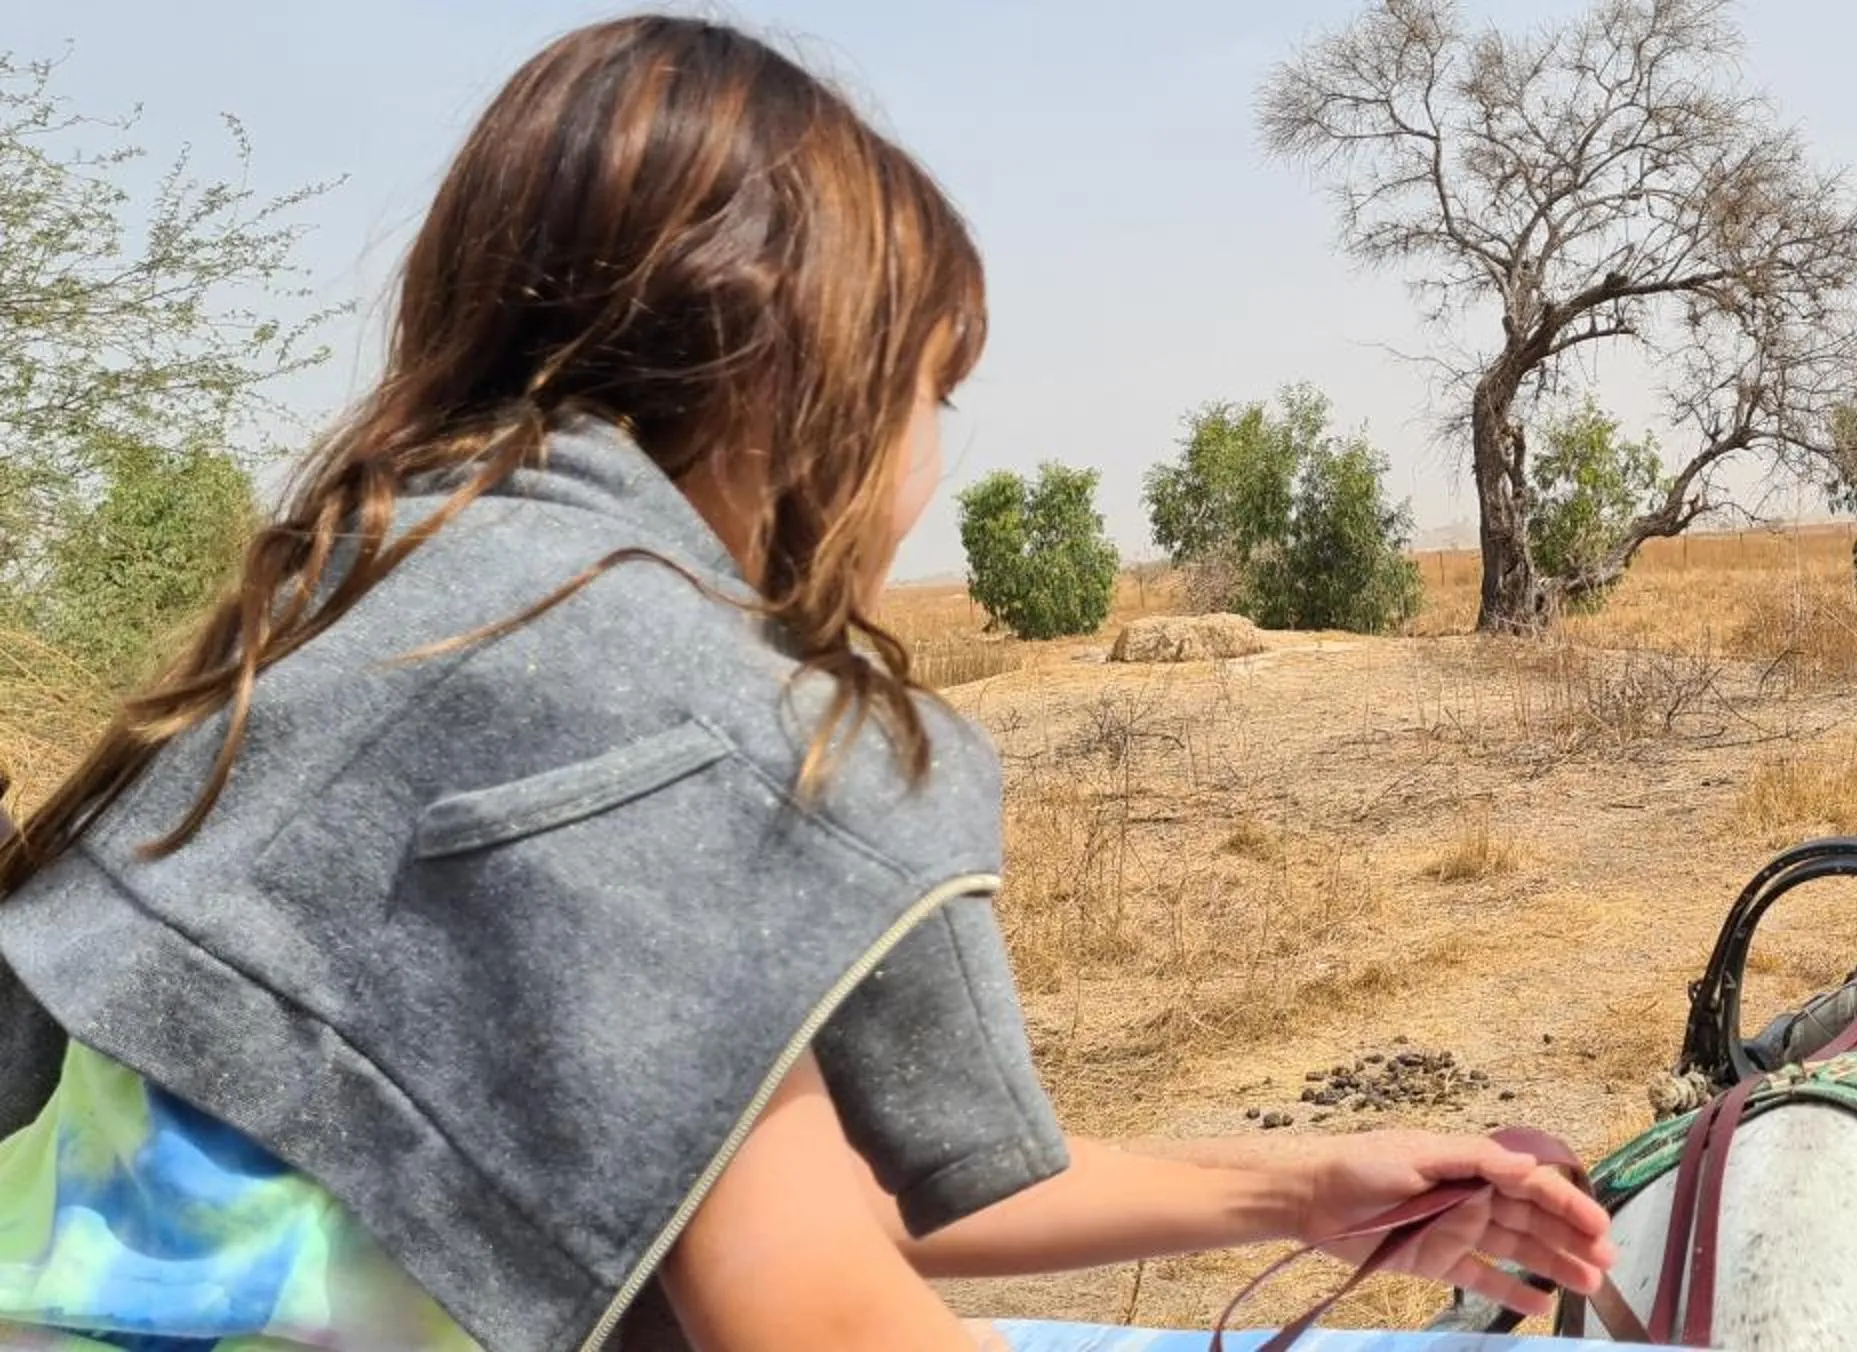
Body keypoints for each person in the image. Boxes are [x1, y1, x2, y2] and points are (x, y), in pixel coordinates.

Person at [0, 16, 1613, 1352]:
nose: (928, 461)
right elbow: (811, 1309)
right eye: (930, 392)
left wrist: (1298, 1188)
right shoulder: (635, 690)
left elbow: (748, 1187)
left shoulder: (360, 612)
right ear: (796, 381)